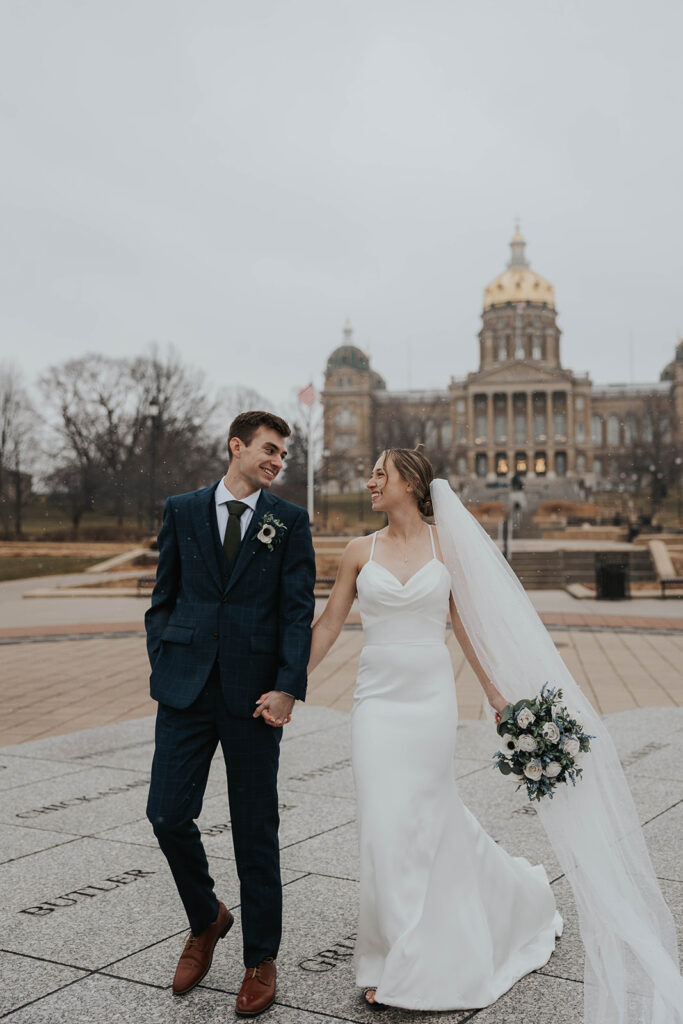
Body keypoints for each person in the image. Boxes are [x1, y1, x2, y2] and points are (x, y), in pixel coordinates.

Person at [307, 447, 562, 1010]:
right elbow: (327, 625)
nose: (371, 480)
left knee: (427, 814)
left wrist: (495, 692)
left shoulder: (447, 547)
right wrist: (288, 682)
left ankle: (417, 952)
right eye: (372, 472)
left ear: (411, 483)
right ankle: (391, 951)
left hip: (429, 701)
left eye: (381, 473)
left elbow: (466, 624)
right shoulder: (357, 551)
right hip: (376, 701)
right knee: (381, 822)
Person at [145, 410, 315, 1017]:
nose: (276, 461)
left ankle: (259, 959)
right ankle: (206, 917)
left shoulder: (288, 522)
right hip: (185, 691)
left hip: (253, 699)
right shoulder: (183, 510)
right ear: (236, 446)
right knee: (166, 815)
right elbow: (163, 598)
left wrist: (287, 687)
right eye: (268, 450)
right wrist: (165, 660)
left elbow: (297, 612)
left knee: (253, 829)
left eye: (282, 456)